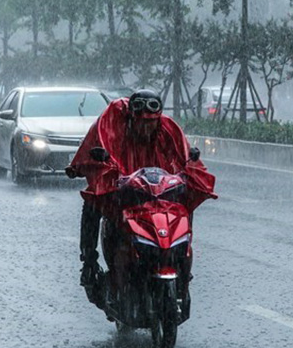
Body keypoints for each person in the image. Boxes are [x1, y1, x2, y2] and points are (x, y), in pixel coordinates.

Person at [65, 89, 217, 306]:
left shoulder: (168, 130)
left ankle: (182, 264)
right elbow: (96, 146)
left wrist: (189, 170)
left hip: (159, 189)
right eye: (142, 122)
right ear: (132, 118)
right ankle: (88, 261)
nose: (146, 127)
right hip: (124, 185)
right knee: (92, 201)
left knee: (185, 203)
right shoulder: (113, 123)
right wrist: (104, 169)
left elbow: (185, 158)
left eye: (151, 122)